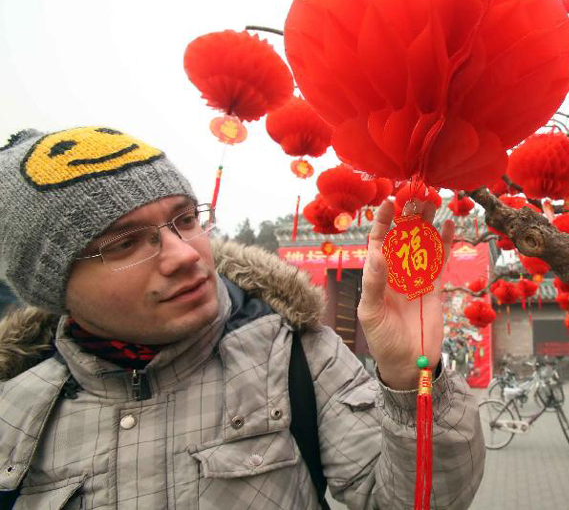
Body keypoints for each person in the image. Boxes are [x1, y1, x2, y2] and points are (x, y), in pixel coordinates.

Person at [0, 127, 484, 509]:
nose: (184, 255)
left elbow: (415, 503)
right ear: (53, 282)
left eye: (185, 220)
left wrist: (410, 375)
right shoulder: (15, 407)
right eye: (125, 242)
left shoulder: (294, 352)